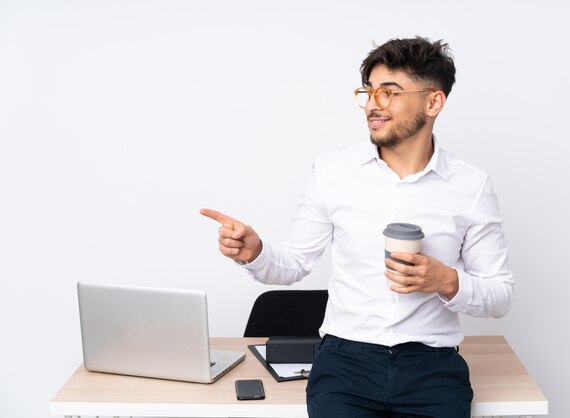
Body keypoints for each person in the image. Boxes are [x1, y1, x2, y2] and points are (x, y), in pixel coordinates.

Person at [201, 36, 513, 418]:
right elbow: (293, 263)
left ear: (433, 102)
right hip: (345, 364)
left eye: (389, 92)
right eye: (368, 92)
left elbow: (500, 295)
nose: (372, 105)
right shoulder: (333, 173)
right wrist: (255, 251)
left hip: (432, 367)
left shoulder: (471, 186)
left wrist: (445, 280)